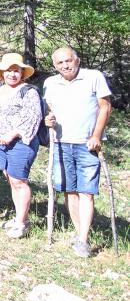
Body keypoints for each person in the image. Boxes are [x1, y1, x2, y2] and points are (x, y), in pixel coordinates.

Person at [43, 46, 113, 258]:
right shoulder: (50, 83)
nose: (65, 65)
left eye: (68, 61)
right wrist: (49, 120)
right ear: (55, 66)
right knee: (69, 190)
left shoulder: (93, 77)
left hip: (86, 144)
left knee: (86, 191)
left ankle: (83, 240)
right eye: (60, 63)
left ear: (77, 60)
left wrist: (97, 135)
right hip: (62, 142)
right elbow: (51, 110)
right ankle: (79, 231)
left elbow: (105, 107)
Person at [0, 53, 44, 239]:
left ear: (22, 73)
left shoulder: (29, 91)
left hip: (21, 142)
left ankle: (21, 223)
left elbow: (33, 117)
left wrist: (13, 133)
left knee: (19, 181)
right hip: (1, 142)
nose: (12, 74)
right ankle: (21, 216)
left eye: (16, 71)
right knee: (11, 179)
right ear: (2, 73)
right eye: (8, 71)